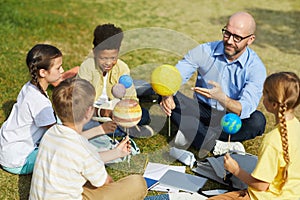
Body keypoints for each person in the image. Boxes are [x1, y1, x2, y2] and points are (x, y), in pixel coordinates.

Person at [160, 12, 267, 153]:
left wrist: (222, 98)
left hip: (230, 117)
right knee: (162, 93)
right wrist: (167, 95)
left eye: (237, 38)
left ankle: (194, 134)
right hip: (200, 109)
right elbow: (176, 76)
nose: (229, 41)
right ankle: (216, 144)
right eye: (227, 33)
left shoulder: (256, 68)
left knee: (257, 121)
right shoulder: (205, 51)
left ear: (250, 39)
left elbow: (245, 108)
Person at [29, 77, 148, 200]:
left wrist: (116, 152)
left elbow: (82, 159)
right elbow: (105, 182)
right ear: (89, 111)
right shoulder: (84, 149)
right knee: (137, 183)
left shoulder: (51, 133)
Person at [208, 71, 300, 199]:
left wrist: (235, 170)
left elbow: (261, 185)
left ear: (273, 104)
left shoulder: (272, 140)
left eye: (265, 93)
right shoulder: (297, 127)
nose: (262, 96)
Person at [78, 23, 153, 138]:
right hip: (93, 113)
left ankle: (124, 128)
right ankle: (128, 130)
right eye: (103, 58)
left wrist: (129, 108)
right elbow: (80, 102)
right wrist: (103, 112)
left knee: (144, 115)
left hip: (115, 110)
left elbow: (131, 97)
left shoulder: (122, 68)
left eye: (113, 58)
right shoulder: (87, 67)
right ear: (94, 52)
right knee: (91, 125)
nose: (108, 63)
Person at [0, 44, 64, 175]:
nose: (62, 71)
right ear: (43, 72)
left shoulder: (29, 87)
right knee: (63, 152)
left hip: (7, 150)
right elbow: (57, 134)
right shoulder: (40, 102)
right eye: (58, 68)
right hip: (18, 161)